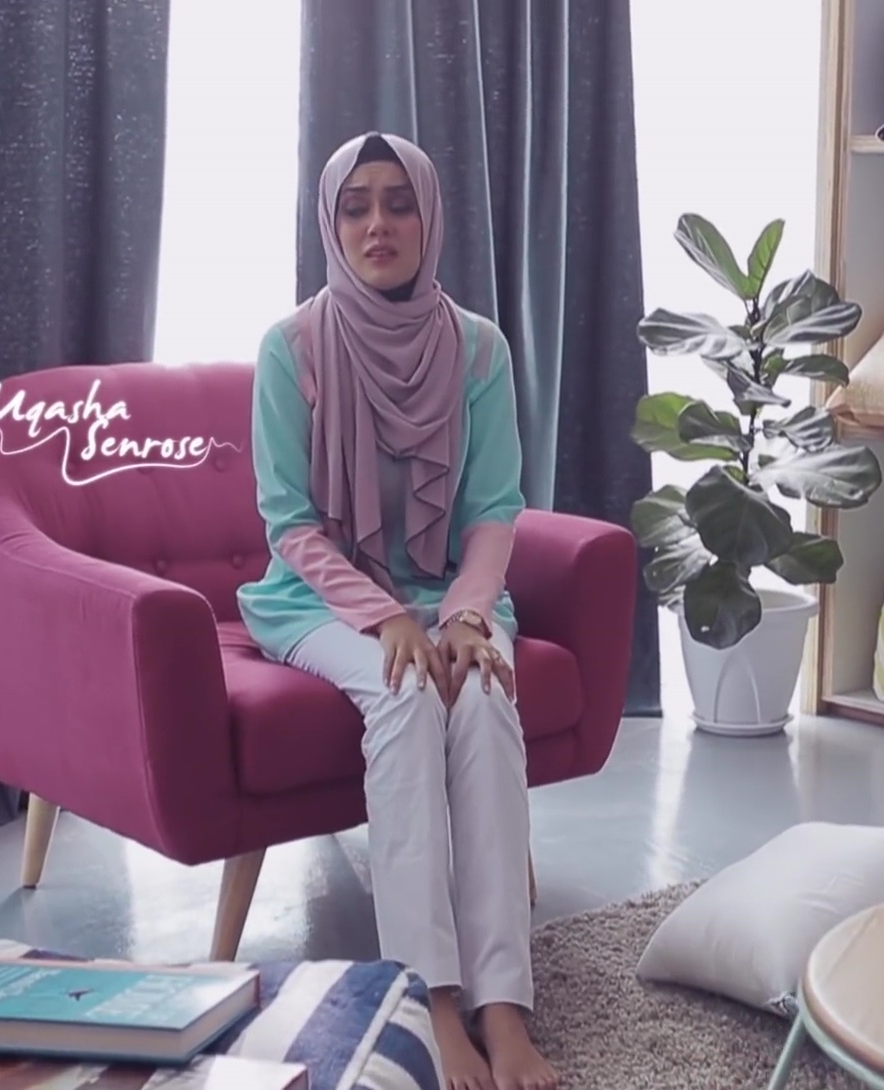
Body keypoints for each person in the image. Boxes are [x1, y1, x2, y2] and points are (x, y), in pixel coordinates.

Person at [237, 131, 556, 1090]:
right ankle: (431, 1001)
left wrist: (466, 618)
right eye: (356, 207)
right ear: (331, 225)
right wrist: (387, 619)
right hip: (317, 598)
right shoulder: (290, 349)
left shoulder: (479, 349)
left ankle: (504, 1009)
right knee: (406, 693)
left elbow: (494, 509)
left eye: (399, 202)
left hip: (450, 595)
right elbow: (289, 523)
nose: (378, 224)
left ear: (429, 216)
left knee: (486, 696)